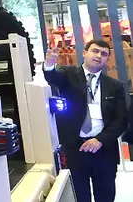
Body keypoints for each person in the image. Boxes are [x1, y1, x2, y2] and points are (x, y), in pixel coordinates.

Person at [44, 40, 128, 202]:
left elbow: (121, 119)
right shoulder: (68, 75)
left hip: (104, 150)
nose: (98, 56)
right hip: (75, 149)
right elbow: (52, 76)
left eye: (104, 54)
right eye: (95, 51)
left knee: (106, 196)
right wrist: (49, 64)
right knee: (79, 196)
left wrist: (100, 140)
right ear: (84, 53)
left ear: (107, 59)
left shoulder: (114, 85)